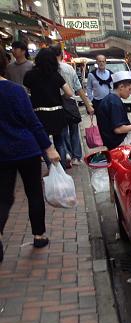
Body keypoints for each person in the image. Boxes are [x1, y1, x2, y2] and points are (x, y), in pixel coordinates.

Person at [0, 51, 62, 262]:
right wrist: (48, 147)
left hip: (2, 154)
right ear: (4, 64)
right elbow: (32, 122)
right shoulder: (15, 91)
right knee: (34, 192)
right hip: (26, 149)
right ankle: (39, 235)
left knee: (4, 196)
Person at [23, 48, 74, 168]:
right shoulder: (55, 75)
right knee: (59, 142)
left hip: (39, 114)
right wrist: (60, 97)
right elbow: (69, 93)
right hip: (57, 112)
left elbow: (26, 90)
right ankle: (61, 168)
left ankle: (51, 168)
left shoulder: (30, 75)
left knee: (44, 145)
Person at [51, 45, 94, 166]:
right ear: (61, 54)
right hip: (70, 103)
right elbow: (78, 88)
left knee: (63, 132)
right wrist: (88, 105)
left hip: (57, 104)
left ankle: (67, 154)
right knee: (74, 132)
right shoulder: (68, 68)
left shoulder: (50, 70)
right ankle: (77, 157)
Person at [95, 71, 131, 150]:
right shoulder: (114, 102)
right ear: (121, 87)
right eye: (129, 89)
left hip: (111, 140)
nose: (130, 92)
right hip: (118, 142)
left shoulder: (110, 99)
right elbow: (118, 129)